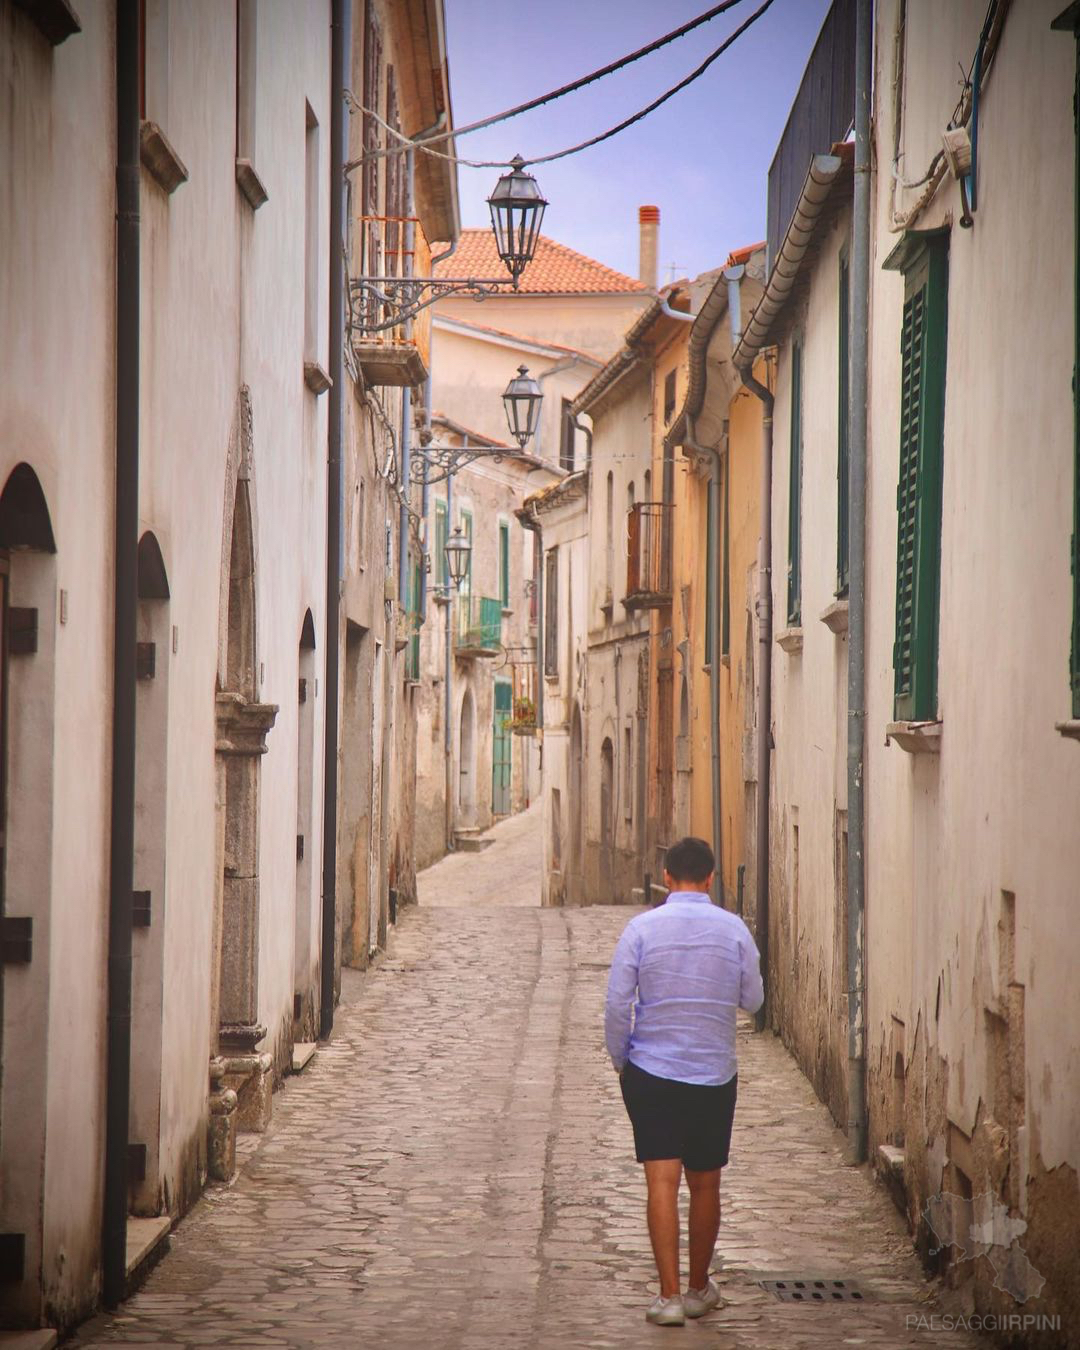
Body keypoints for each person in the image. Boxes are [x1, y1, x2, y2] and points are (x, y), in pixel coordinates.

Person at [604, 836, 764, 1327]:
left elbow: (616, 1006)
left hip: (652, 1071)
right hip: (713, 1074)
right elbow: (754, 1000)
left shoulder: (640, 929)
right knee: (706, 1183)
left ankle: (668, 1297)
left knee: (661, 1181)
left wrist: (622, 1061)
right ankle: (699, 1289)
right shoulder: (734, 930)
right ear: (711, 878)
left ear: (667, 878)